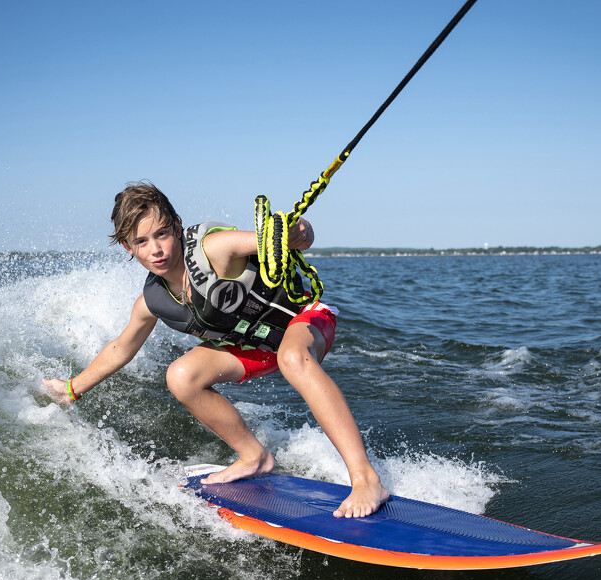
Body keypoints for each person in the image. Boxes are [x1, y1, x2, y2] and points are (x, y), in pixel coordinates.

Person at [42, 182, 388, 518]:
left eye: (162, 234)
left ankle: (366, 480)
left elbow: (289, 239)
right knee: (181, 376)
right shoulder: (151, 301)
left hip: (304, 322)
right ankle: (254, 457)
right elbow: (121, 348)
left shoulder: (215, 249)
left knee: (293, 357)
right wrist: (72, 389)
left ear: (177, 227)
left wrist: (298, 231)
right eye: (142, 242)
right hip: (258, 347)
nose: (156, 249)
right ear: (127, 248)